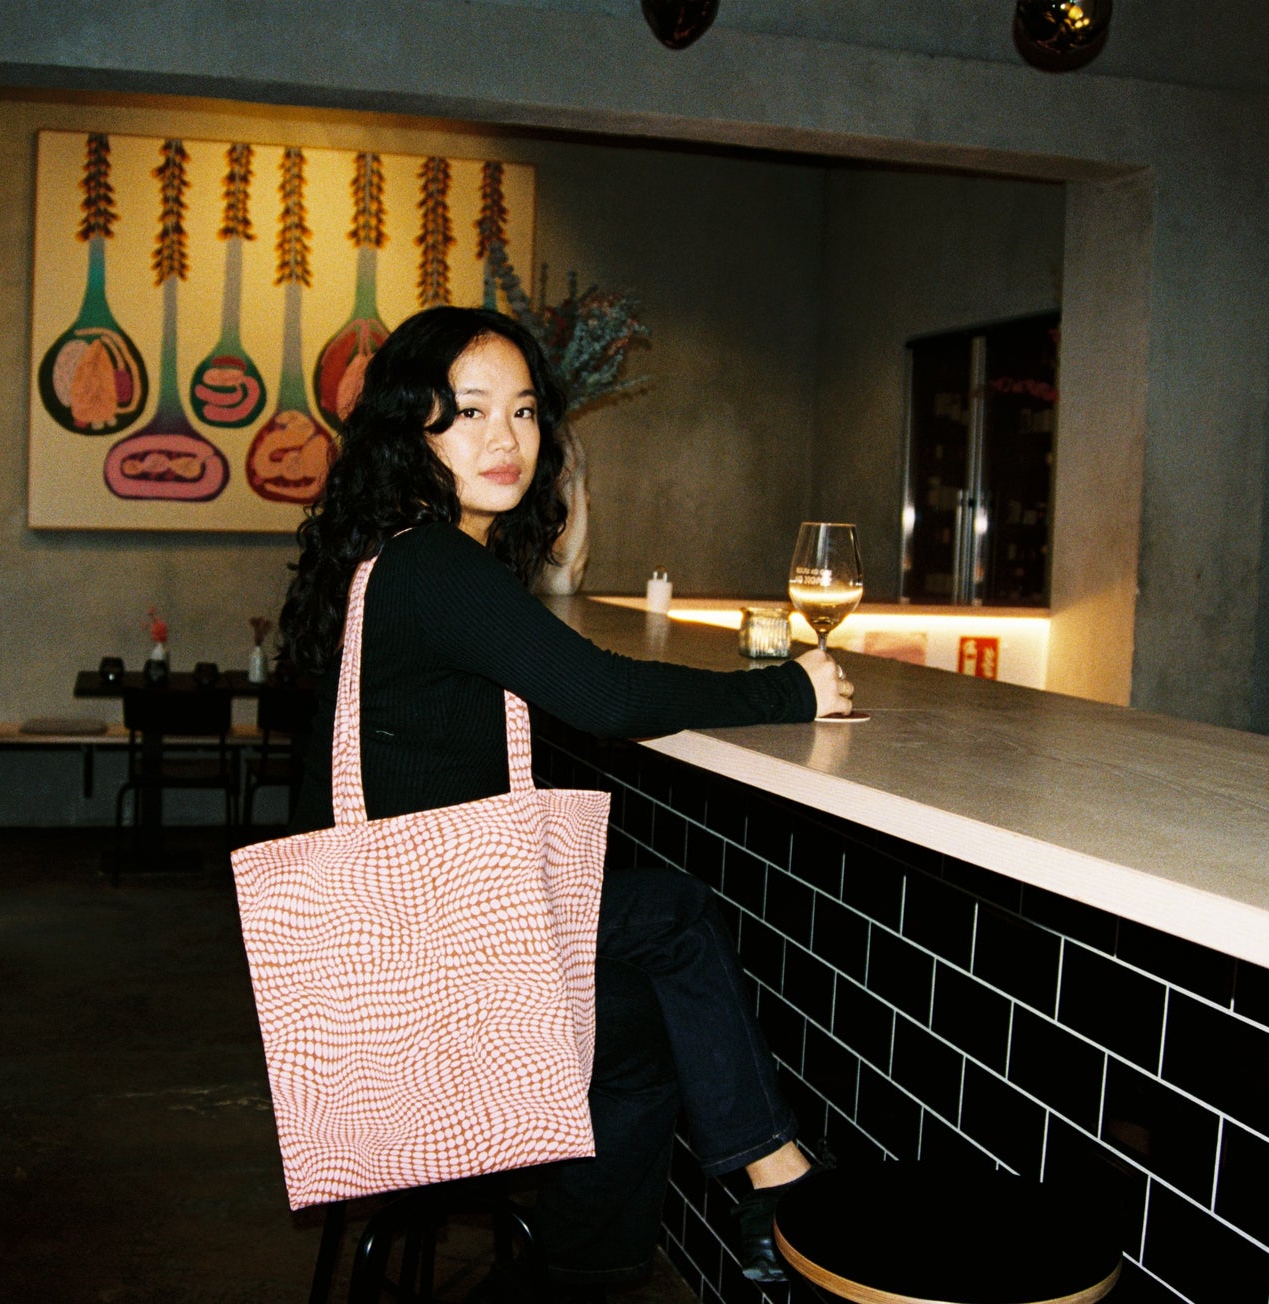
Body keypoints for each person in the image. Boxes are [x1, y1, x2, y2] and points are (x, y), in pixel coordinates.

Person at [279, 306, 851, 1293]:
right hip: (434, 965)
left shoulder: (396, 557)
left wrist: (567, 514)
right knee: (673, 913)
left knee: (637, 1033)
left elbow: (543, 630)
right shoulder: (434, 565)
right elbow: (606, 696)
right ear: (407, 426)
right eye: (465, 411)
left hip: (409, 942)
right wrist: (786, 688)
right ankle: (773, 1178)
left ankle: (593, 1267)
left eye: (525, 411)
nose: (502, 437)